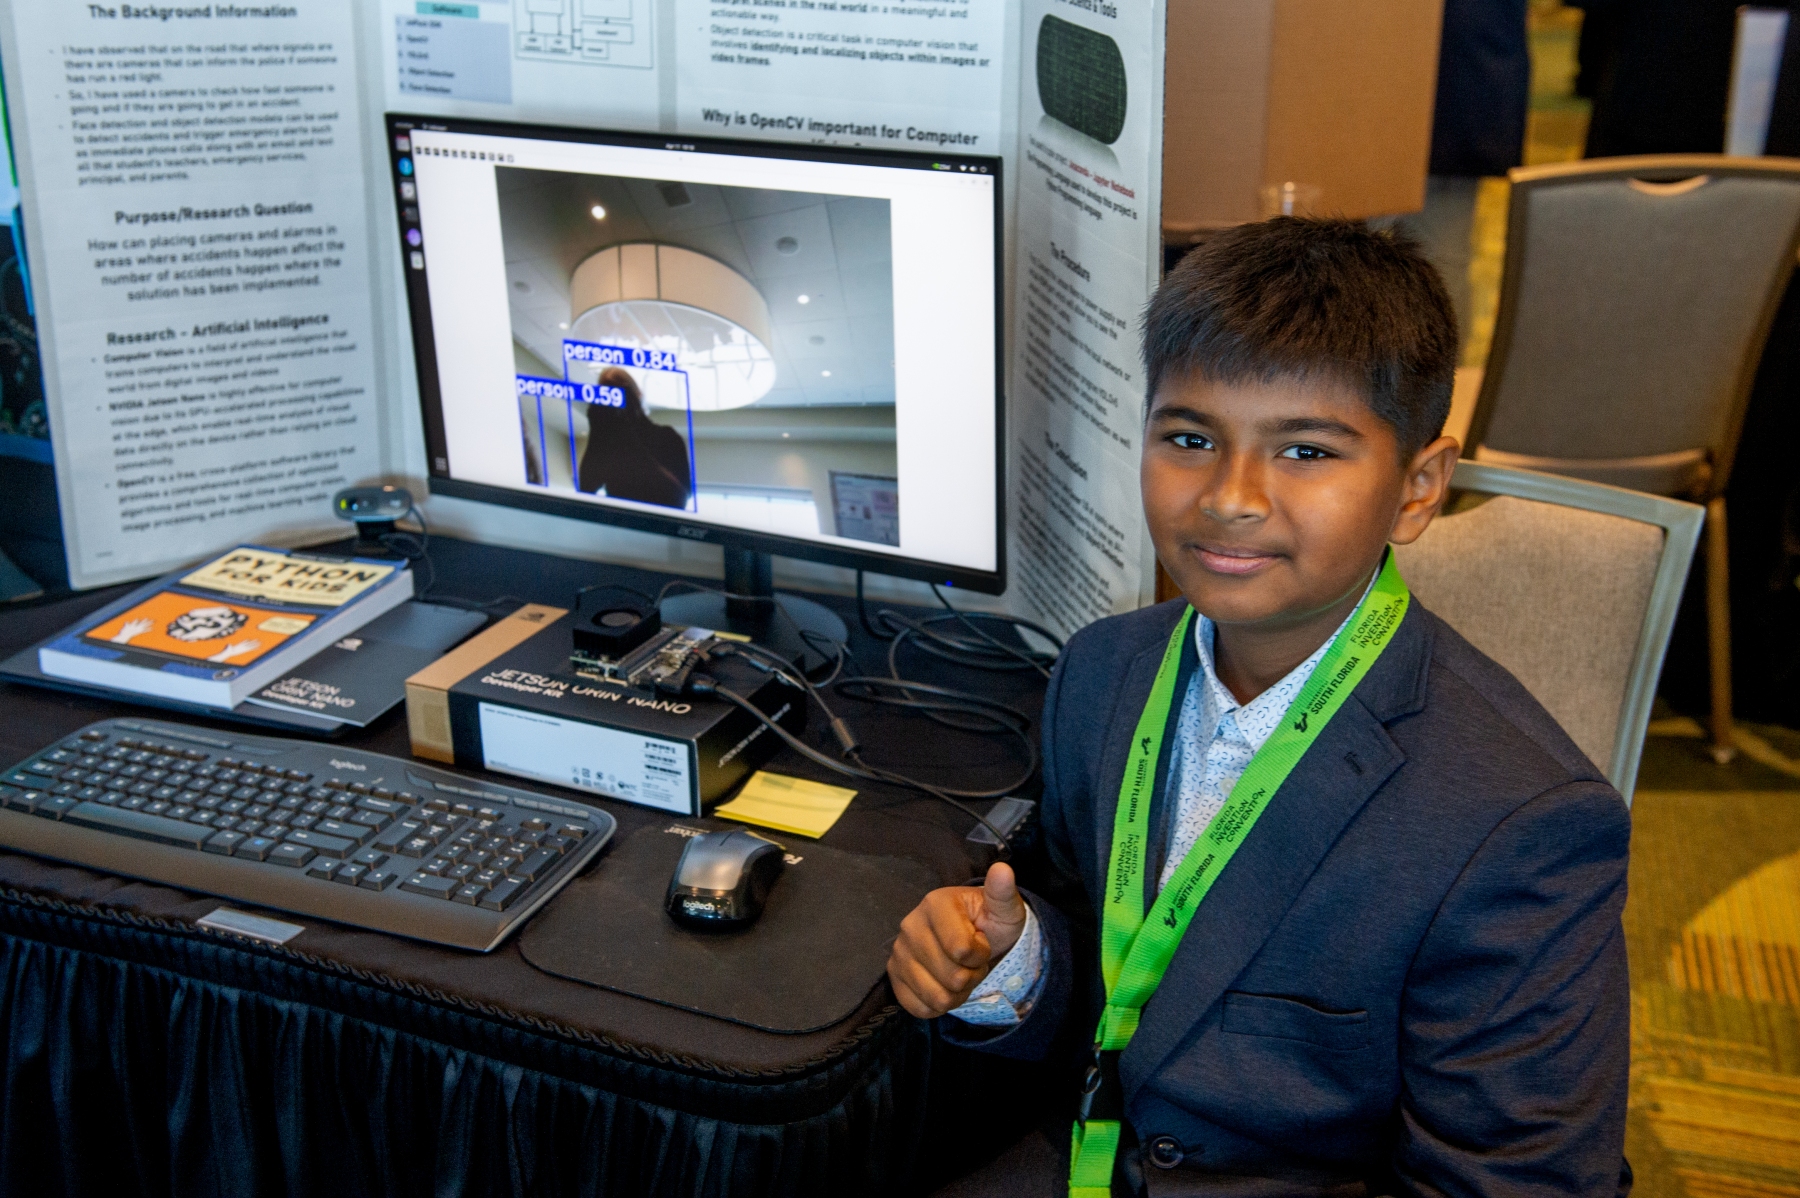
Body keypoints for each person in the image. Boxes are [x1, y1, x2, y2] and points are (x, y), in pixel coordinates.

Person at [888, 219, 1631, 1197]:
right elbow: (1110, 962)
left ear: (1417, 488)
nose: (1231, 496)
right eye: (1190, 438)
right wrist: (1016, 958)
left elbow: (1515, 1183)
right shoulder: (1102, 671)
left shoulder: (1520, 821)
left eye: (1306, 451)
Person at [577, 366, 693, 509]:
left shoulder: (667, 437)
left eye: (622, 395)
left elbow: (681, 497)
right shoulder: (609, 446)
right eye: (608, 398)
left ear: (637, 394)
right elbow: (586, 491)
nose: (617, 405)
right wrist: (597, 431)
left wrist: (630, 441)